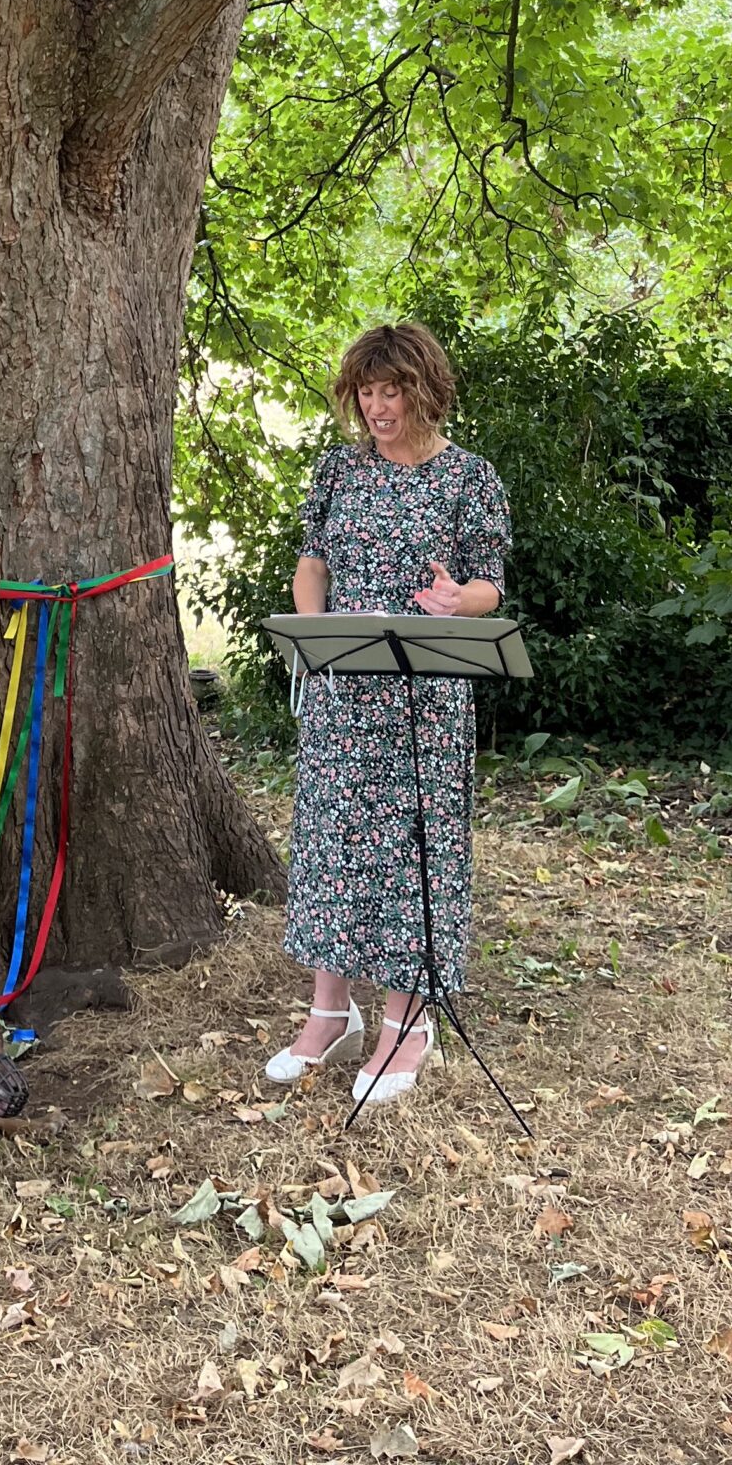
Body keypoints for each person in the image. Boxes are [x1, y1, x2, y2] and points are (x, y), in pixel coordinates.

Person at [266, 321, 510, 1106]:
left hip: (426, 699)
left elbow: (490, 585)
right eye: (366, 392)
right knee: (332, 843)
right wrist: (312, 639)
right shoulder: (339, 469)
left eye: (391, 391)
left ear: (424, 391)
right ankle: (329, 1014)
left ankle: (408, 1023)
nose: (376, 407)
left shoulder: (469, 478)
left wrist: (459, 599)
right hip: (342, 693)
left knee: (411, 851)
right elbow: (313, 564)